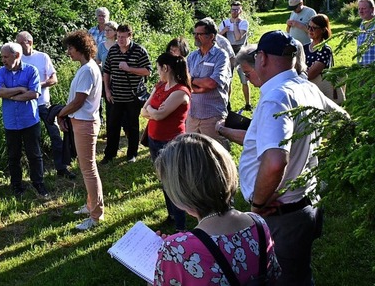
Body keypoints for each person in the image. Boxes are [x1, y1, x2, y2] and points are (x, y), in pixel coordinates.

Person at [238, 30, 346, 286]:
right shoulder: (304, 86)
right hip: (304, 203)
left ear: (261, 57)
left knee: (286, 279)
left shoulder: (276, 97)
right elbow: (343, 121)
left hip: (282, 214)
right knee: (299, 275)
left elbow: (275, 162)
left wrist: (257, 204)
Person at [153, 133, 281, 285]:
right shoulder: (258, 224)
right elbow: (274, 277)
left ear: (181, 192)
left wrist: (161, 262)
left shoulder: (175, 250)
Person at [57, 30, 104, 231]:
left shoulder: (87, 70)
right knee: (87, 168)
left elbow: (78, 101)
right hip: (83, 122)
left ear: (80, 48)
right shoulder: (87, 67)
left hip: (85, 123)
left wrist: (60, 114)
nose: (68, 52)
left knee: (88, 169)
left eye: (70, 48)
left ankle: (96, 215)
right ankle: (90, 205)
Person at [140, 52, 191, 231]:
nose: (157, 71)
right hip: (155, 139)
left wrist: (153, 111)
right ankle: (171, 214)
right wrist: (154, 111)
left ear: (166, 68)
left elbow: (160, 114)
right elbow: (144, 110)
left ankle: (180, 226)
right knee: (163, 180)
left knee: (174, 183)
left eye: (158, 68)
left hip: (171, 142)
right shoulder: (161, 85)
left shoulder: (180, 92)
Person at [16, 31, 75, 179]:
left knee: (55, 134)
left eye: (21, 42)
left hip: (43, 104)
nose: (18, 46)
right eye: (17, 43)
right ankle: (35, 173)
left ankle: (62, 168)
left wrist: (36, 86)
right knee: (31, 138)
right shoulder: (16, 59)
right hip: (25, 105)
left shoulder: (42, 57)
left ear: (30, 42)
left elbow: (54, 79)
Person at [0, 42, 49, 198]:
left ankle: (38, 183)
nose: (3, 60)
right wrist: (19, 89)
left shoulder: (31, 71)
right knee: (13, 156)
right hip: (11, 121)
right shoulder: (1, 72)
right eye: (2, 56)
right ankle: (16, 185)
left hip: (29, 120)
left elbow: (34, 94)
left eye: (5, 56)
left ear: (16, 55)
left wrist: (9, 95)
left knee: (34, 154)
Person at [102, 24, 151, 164]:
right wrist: (107, 90)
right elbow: (107, 71)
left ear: (130, 36)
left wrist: (129, 68)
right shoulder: (113, 50)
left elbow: (147, 71)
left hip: (132, 96)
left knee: (132, 126)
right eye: (118, 37)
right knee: (112, 126)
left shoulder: (139, 51)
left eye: (123, 37)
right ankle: (110, 154)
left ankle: (132, 154)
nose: (120, 40)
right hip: (115, 96)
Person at [186, 18, 231, 148]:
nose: (195, 37)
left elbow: (212, 83)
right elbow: (184, 80)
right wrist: (200, 86)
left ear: (211, 36)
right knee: (192, 152)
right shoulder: (192, 56)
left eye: (199, 34)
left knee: (216, 153)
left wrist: (193, 81)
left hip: (212, 115)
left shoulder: (221, 56)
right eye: (194, 33)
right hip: (193, 114)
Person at [219, 1, 252, 110]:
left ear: (241, 10)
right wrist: (223, 31)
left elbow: (238, 37)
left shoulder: (244, 23)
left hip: (241, 52)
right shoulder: (224, 23)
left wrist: (235, 24)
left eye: (237, 9)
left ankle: (248, 104)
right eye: (233, 9)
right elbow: (217, 38)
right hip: (229, 54)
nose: (234, 12)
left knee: (244, 79)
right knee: (228, 79)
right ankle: (227, 104)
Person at [304, 14, 333, 80]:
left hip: (319, 88)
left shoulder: (325, 50)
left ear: (323, 30)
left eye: (314, 28)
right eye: (309, 27)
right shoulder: (304, 47)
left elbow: (310, 75)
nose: (310, 30)